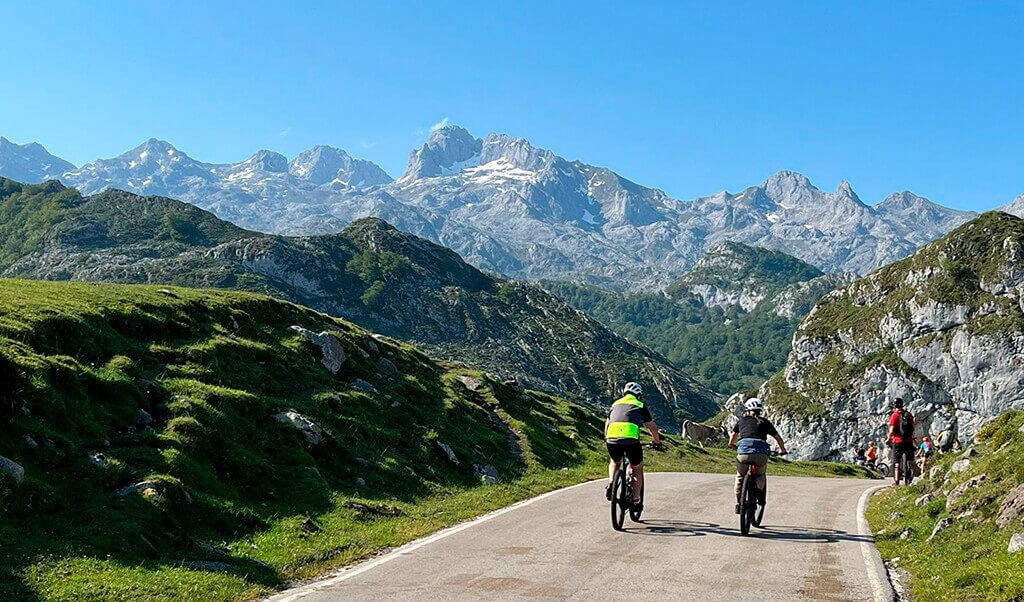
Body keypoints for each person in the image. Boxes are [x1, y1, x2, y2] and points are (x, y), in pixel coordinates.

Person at [605, 382, 662, 510]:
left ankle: (611, 483)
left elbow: (607, 423)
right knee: (637, 469)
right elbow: (651, 426)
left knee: (614, 462)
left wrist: (607, 438)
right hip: (631, 441)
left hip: (612, 438)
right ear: (638, 395)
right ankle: (636, 501)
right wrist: (657, 441)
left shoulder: (615, 404)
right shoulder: (640, 405)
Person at [728, 397, 787, 514]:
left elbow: (732, 438)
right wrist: (783, 450)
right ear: (760, 410)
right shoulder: (765, 422)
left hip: (743, 453)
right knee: (760, 474)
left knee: (740, 476)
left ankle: (739, 504)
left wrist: (732, 445)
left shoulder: (742, 421)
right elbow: (778, 438)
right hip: (760, 454)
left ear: (747, 410)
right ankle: (759, 492)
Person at [886, 398, 916, 485]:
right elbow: (913, 426)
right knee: (910, 459)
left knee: (897, 461)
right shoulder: (909, 414)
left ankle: (896, 481)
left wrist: (888, 439)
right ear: (902, 405)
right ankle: (912, 475)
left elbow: (891, 431)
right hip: (908, 440)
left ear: (895, 406)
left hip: (898, 440)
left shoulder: (895, 415)